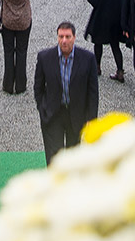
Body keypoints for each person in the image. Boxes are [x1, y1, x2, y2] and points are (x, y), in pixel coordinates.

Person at [34, 21, 99, 165]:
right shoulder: (44, 58)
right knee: (54, 156)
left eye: (67, 37)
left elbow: (93, 92)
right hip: (52, 114)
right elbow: (38, 88)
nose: (64, 41)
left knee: (73, 156)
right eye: (61, 37)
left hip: (76, 114)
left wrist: (91, 118)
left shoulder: (88, 59)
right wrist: (42, 108)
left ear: (74, 38)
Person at [85, 0, 126, 82]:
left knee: (98, 43)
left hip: (101, 17)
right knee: (115, 46)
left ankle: (97, 67)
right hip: (116, 18)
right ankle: (120, 71)